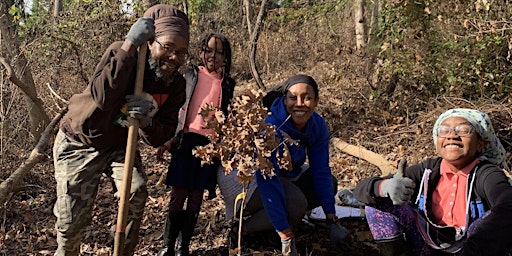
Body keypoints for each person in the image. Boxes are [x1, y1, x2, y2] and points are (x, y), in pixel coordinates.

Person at [52, 5, 190, 256]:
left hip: (118, 145)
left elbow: (162, 134)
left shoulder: (176, 85)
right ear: (150, 42)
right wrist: (128, 44)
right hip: (81, 141)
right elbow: (103, 97)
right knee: (71, 219)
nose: (173, 58)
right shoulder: (124, 54)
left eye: (181, 52)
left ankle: (122, 252)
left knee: (135, 192)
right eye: (167, 47)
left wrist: (147, 121)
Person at [218, 74, 349, 256]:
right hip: (243, 177)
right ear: (284, 99)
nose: (300, 103)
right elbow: (268, 181)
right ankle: (241, 228)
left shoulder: (317, 125)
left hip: (284, 173)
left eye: (307, 98)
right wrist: (286, 237)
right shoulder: (270, 127)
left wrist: (332, 219)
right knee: (296, 204)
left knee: (328, 183)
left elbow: (321, 171)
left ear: (316, 101)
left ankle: (275, 220)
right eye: (293, 97)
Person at [353, 108, 512, 256]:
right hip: (424, 248)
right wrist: (385, 187)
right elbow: (361, 190)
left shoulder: (486, 174)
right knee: (379, 202)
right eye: (444, 130)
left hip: (471, 250)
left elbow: (508, 206)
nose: (452, 135)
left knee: (495, 219)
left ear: (480, 143)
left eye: (463, 130)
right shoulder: (426, 171)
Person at [155, 33, 236, 256]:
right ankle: (167, 246)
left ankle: (184, 246)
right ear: (201, 53)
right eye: (209, 50)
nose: (213, 56)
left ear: (226, 58)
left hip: (209, 146)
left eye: (219, 53)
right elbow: (178, 111)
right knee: (177, 194)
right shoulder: (190, 75)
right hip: (185, 142)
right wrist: (169, 140)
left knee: (196, 197)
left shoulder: (227, 83)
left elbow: (228, 116)